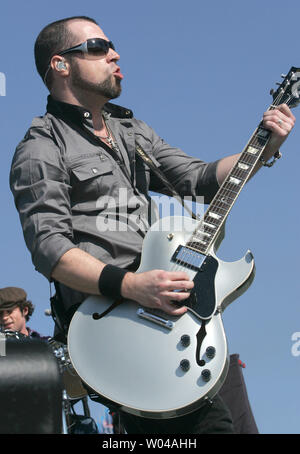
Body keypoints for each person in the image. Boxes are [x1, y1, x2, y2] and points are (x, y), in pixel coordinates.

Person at [9, 16, 295, 434]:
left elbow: (198, 180)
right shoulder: (40, 146)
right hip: (116, 321)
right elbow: (51, 251)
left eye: (113, 46)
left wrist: (264, 146)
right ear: (61, 65)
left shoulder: (131, 130)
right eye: (98, 46)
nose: (115, 54)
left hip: (176, 318)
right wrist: (132, 286)